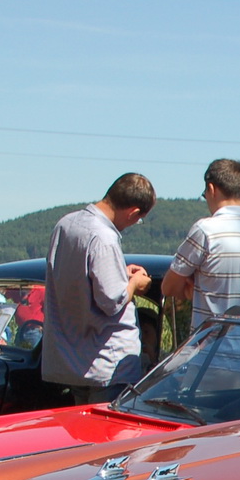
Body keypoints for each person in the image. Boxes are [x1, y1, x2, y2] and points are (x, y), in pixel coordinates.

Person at [42, 172, 155, 402]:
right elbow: (111, 301)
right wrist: (135, 283)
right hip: (107, 364)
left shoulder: (66, 224)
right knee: (110, 435)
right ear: (133, 212)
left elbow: (75, 278)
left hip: (72, 361)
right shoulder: (104, 237)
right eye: (138, 219)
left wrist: (119, 272)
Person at [161, 159, 240, 335]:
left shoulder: (205, 230)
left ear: (212, 189)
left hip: (213, 352)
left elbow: (168, 288)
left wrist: (192, 286)